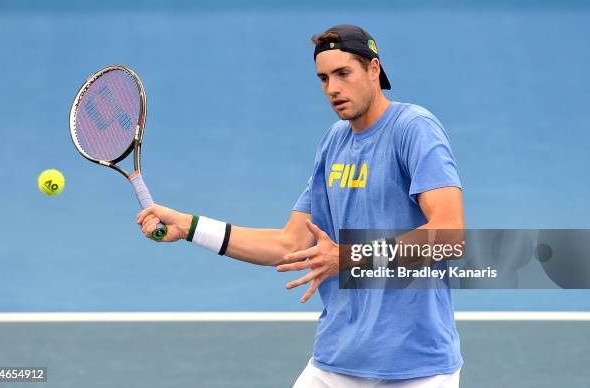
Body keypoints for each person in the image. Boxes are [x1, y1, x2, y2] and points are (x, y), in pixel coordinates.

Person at [137, 24, 464, 388]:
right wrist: (190, 227)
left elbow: (449, 234)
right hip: (337, 361)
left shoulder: (414, 129)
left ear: (374, 70)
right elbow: (289, 245)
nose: (333, 89)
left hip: (414, 370)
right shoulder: (334, 142)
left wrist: (347, 257)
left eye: (343, 74)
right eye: (323, 78)